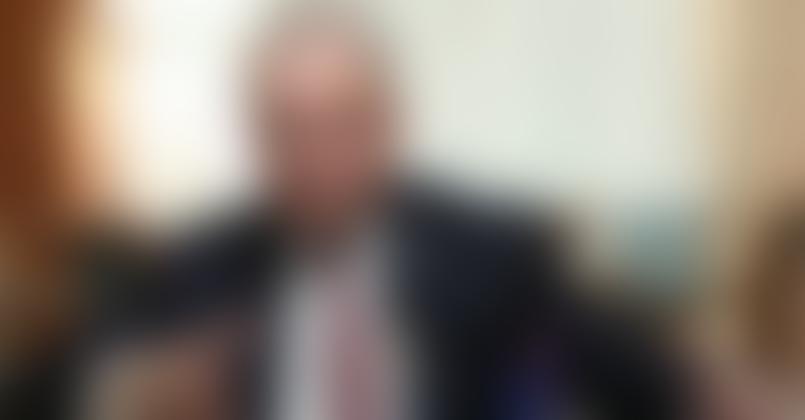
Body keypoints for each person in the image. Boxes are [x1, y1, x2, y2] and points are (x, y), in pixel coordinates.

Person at [82, 6, 680, 420]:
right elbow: (77, 387)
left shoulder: (495, 255)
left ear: (388, 126)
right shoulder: (198, 272)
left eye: (342, 125)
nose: (317, 159)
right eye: (289, 130)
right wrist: (131, 400)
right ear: (257, 142)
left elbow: (646, 384)